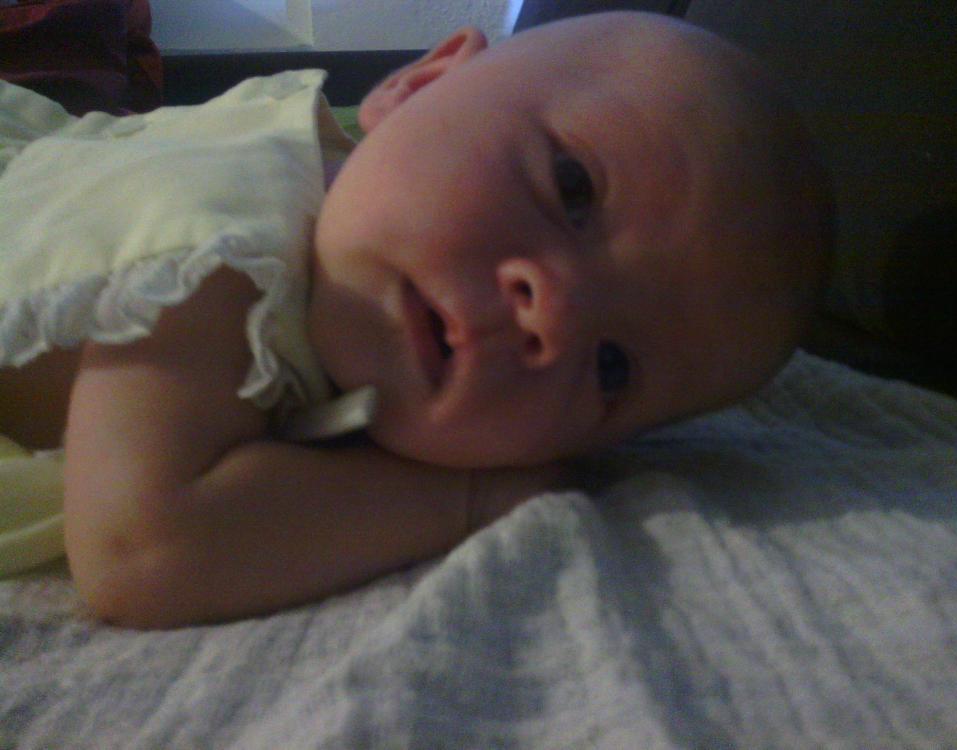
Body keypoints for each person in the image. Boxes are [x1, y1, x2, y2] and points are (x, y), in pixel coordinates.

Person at [0, 12, 833, 627]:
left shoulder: (349, 289)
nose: (555, 316)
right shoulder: (224, 244)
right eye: (572, 187)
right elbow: (140, 547)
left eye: (612, 367)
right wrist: (470, 498)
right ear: (421, 86)